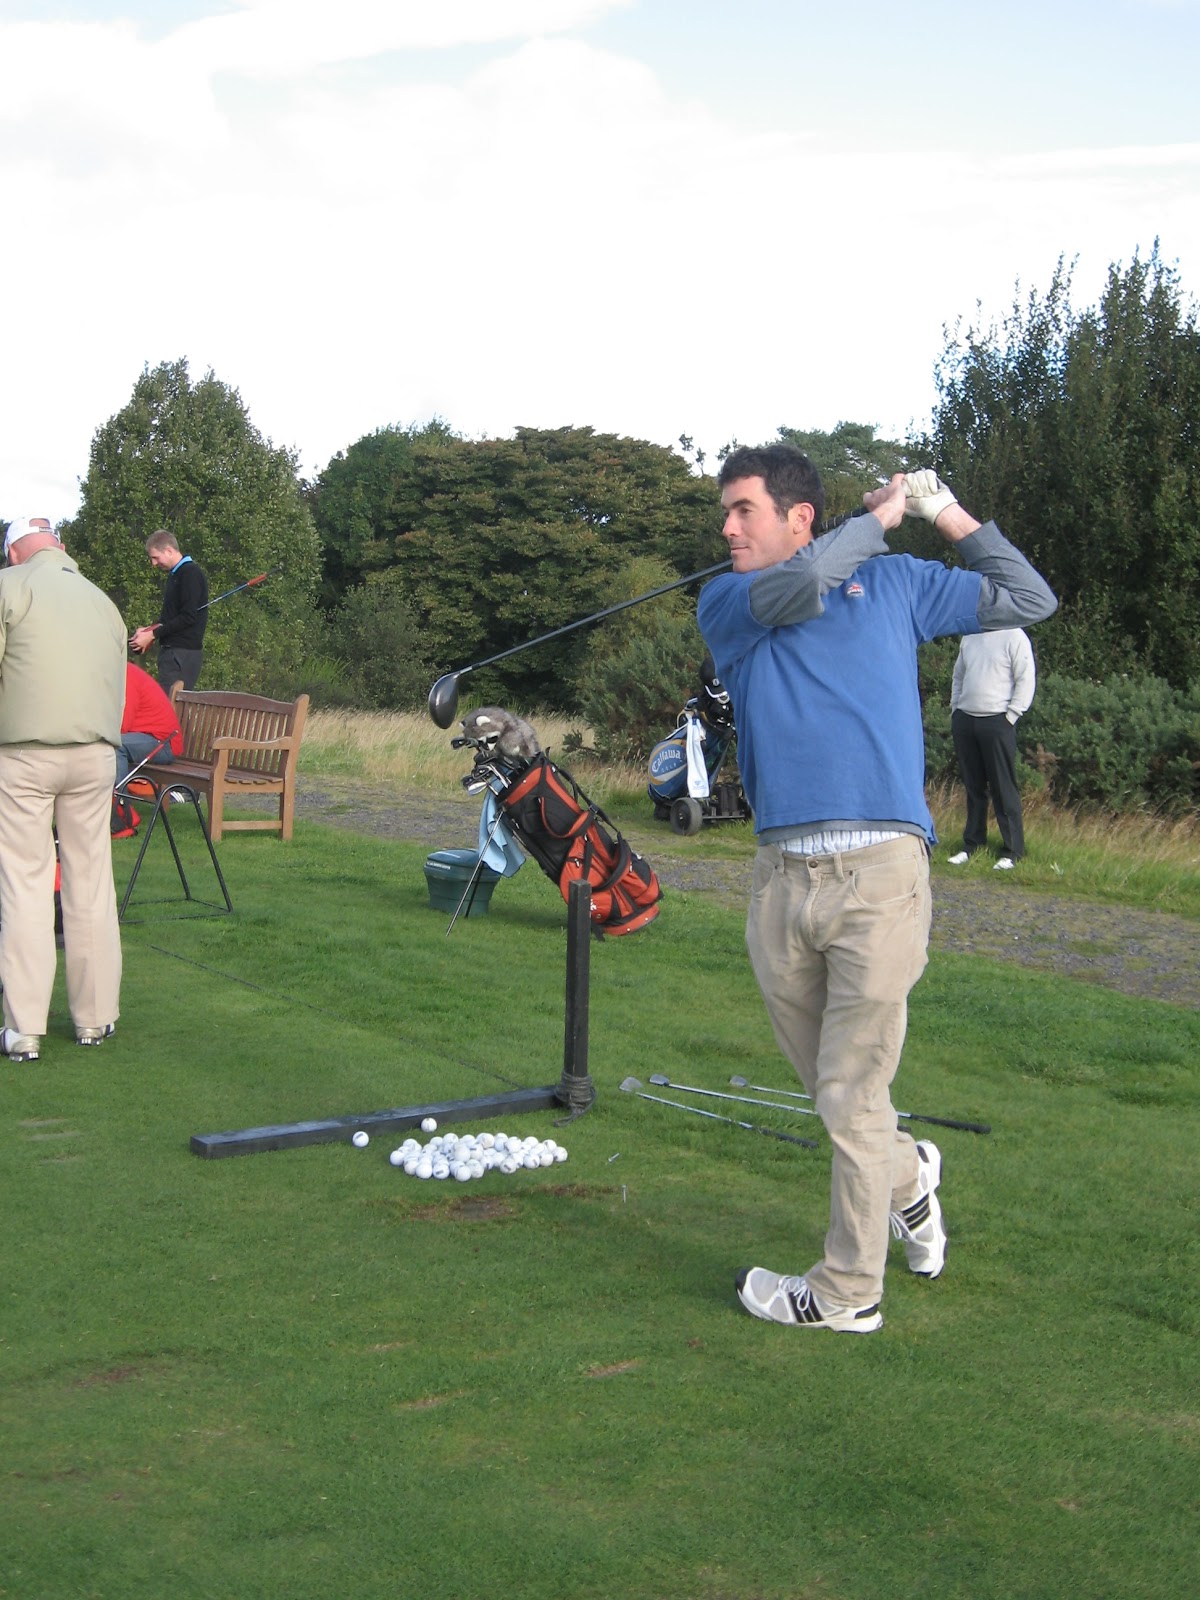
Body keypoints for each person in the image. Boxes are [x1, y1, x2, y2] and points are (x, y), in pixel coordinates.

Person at [697, 448, 1056, 1333]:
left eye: (744, 511)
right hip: (781, 882)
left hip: (881, 876)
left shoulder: (893, 586)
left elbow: (1028, 598)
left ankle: (847, 1292)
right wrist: (876, 523)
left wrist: (943, 511)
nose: (728, 529)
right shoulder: (731, 599)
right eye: (726, 514)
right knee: (837, 1095)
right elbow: (802, 588)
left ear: (798, 515)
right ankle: (910, 1178)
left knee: (852, 1095)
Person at [0, 516, 127, 1062]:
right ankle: (95, 1019)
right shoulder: (102, 601)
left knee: (26, 884)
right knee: (91, 882)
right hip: (95, 754)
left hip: (24, 755)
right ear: (60, 546)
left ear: (12, 554)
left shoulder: (9, 587)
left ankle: (25, 1027)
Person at [947, 628, 1035, 870]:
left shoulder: (1014, 636)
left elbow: (1025, 678)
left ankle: (1012, 850)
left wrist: (1012, 715)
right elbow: (959, 676)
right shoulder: (970, 635)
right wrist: (956, 709)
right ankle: (972, 844)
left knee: (1003, 787)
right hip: (966, 719)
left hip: (998, 721)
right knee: (974, 787)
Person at [129, 529, 208, 691]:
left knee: (170, 709)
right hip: (173, 652)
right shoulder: (176, 574)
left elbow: (188, 617)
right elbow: (171, 617)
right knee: (169, 708)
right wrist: (150, 629)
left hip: (182, 653)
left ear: (169, 550)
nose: (154, 563)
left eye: (155, 557)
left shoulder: (190, 574)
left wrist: (152, 634)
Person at [118, 661, 183, 787]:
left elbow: (123, 723)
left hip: (163, 743)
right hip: (141, 738)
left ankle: (118, 802)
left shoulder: (126, 675)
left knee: (114, 746)